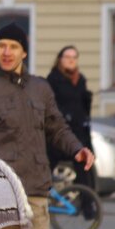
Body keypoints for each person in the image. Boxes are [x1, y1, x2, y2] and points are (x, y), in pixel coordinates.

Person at [0, 23, 95, 229]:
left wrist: (77, 149)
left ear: (24, 52)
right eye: (1, 46)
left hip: (34, 191)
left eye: (13, 46)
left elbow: (57, 127)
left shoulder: (40, 88)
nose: (7, 52)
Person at [46, 46, 96, 193]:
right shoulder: (53, 79)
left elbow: (83, 106)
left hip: (80, 132)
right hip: (60, 132)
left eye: (74, 57)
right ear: (60, 60)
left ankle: (89, 206)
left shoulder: (80, 80)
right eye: (67, 57)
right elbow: (52, 105)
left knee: (85, 170)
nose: (71, 60)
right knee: (48, 166)